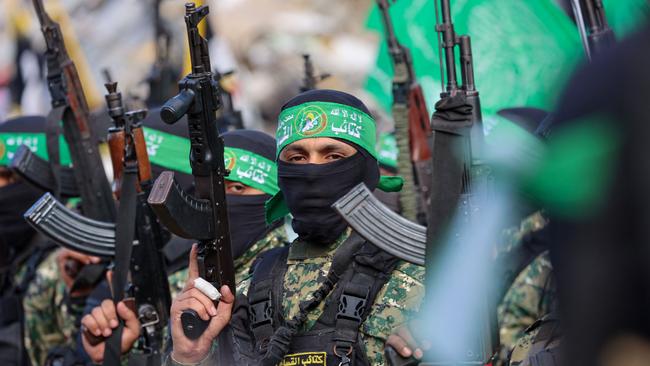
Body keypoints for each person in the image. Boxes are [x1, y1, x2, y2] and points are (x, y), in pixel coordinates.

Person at [164, 89, 424, 366]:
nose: (312, 172)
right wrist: (189, 356)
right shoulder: (247, 291)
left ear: (366, 169)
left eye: (333, 156)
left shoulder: (423, 279)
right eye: (297, 158)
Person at [80, 129, 291, 363]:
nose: (223, 200)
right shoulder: (181, 288)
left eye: (238, 188)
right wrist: (118, 356)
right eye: (215, 189)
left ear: (275, 198)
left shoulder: (290, 280)